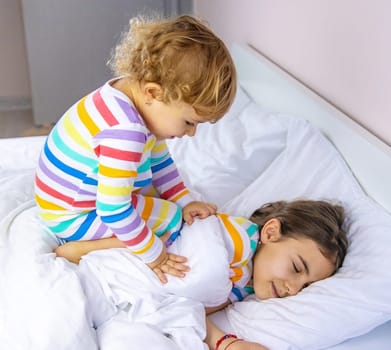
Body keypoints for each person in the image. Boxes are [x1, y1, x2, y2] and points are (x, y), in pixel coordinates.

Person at [33, 14, 237, 283]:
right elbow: (114, 210)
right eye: (189, 122)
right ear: (154, 93)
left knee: (166, 201)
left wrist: (186, 199)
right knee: (171, 221)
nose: (191, 133)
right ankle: (80, 250)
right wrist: (155, 254)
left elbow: (160, 162)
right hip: (74, 218)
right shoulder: (126, 131)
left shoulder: (130, 94)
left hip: (62, 202)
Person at [56, 199, 349, 350]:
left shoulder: (246, 286)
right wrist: (87, 248)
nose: (293, 288)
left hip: (138, 306)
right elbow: (161, 237)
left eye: (307, 285)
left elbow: (190, 307)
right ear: (271, 232)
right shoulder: (230, 236)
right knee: (62, 322)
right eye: (297, 269)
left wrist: (227, 343)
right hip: (112, 274)